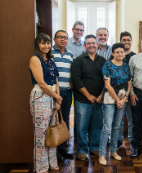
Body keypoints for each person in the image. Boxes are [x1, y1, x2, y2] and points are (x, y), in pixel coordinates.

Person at [29, 33, 62, 173]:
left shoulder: (50, 60)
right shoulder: (35, 59)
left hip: (52, 97)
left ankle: (52, 163)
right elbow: (41, 83)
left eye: (48, 43)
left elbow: (56, 81)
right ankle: (41, 167)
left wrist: (57, 98)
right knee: (41, 134)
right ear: (38, 45)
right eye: (43, 43)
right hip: (40, 97)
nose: (46, 46)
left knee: (51, 132)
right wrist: (56, 96)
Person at [71, 34, 106, 160]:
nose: (91, 45)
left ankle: (95, 148)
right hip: (82, 100)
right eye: (88, 43)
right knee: (81, 127)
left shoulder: (103, 61)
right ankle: (81, 150)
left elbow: (106, 80)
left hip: (99, 100)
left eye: (93, 43)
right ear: (85, 45)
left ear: (97, 45)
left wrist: (101, 95)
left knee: (97, 126)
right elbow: (77, 80)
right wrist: (88, 95)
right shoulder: (78, 60)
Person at [98, 43, 131, 165]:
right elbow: (107, 85)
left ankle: (113, 151)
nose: (120, 54)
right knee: (107, 127)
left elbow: (128, 84)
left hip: (122, 100)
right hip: (110, 100)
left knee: (117, 126)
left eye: (122, 52)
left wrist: (124, 98)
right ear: (112, 53)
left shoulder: (126, 66)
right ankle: (102, 154)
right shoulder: (107, 65)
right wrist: (118, 100)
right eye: (117, 52)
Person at [110, 31, 136, 148]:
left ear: (131, 41)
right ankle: (118, 141)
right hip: (116, 95)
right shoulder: (113, 56)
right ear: (120, 41)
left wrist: (131, 93)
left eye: (128, 40)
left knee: (131, 120)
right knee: (118, 121)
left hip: (130, 93)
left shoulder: (135, 57)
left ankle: (132, 141)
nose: (126, 42)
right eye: (124, 40)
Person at [52, 30, 74, 160]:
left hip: (67, 91)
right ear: (54, 39)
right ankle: (52, 150)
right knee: (53, 120)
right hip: (53, 92)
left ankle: (62, 149)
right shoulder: (50, 54)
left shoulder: (70, 55)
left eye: (65, 38)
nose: (63, 40)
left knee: (64, 120)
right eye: (60, 37)